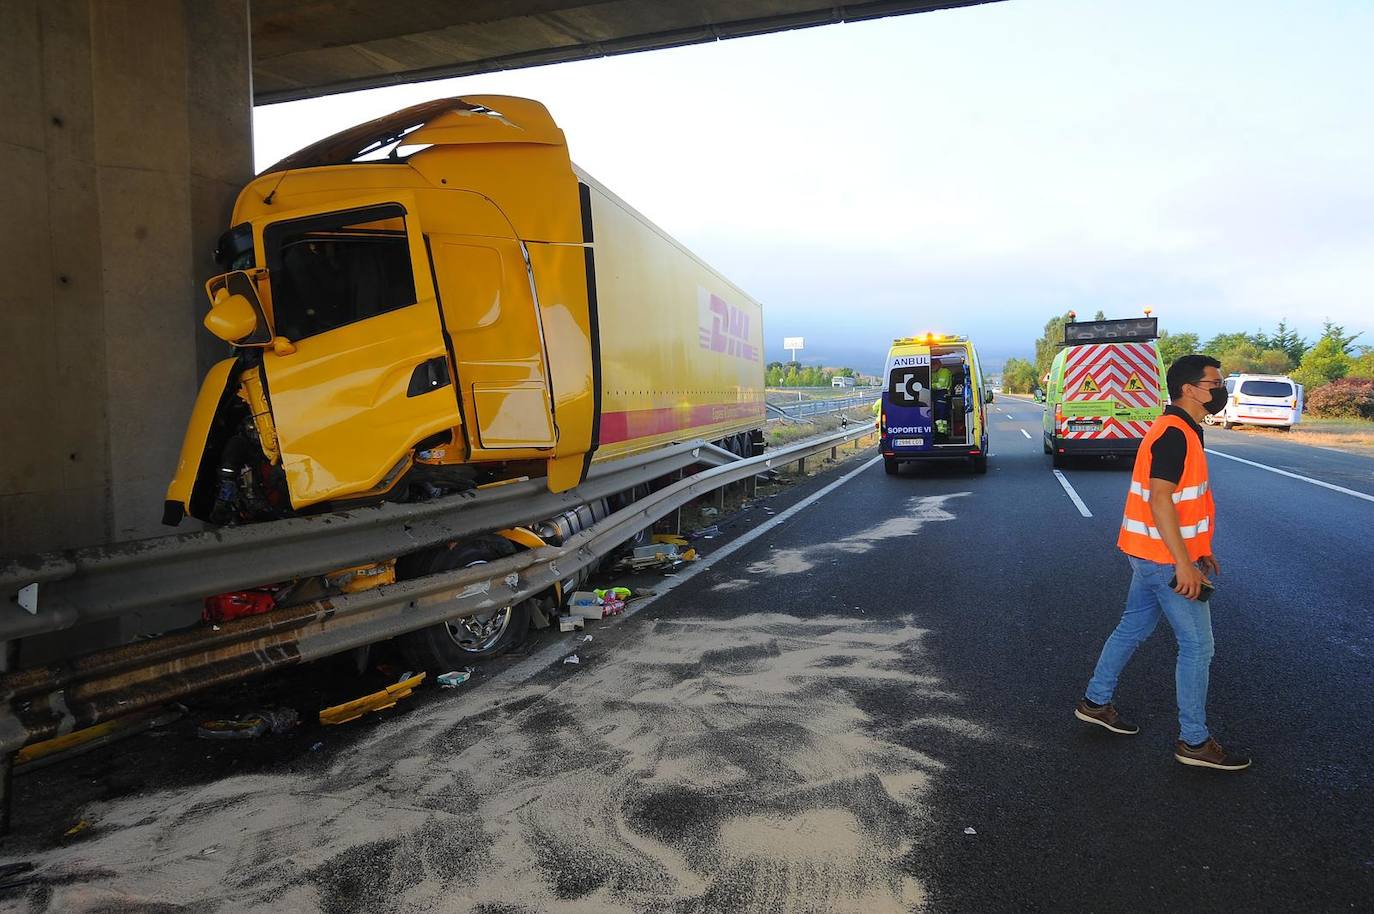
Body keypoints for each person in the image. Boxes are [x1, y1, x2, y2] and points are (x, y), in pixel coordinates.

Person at [1074, 354, 1251, 771]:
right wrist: (1183, 564)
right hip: (1163, 560)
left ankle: (1096, 701)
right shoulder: (1174, 433)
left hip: (1150, 554)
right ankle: (1194, 741)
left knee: (1132, 627)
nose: (1220, 390)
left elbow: (1187, 504)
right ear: (1189, 390)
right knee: (1198, 646)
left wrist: (1200, 549)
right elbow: (1159, 498)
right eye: (1215, 383)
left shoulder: (1184, 429)